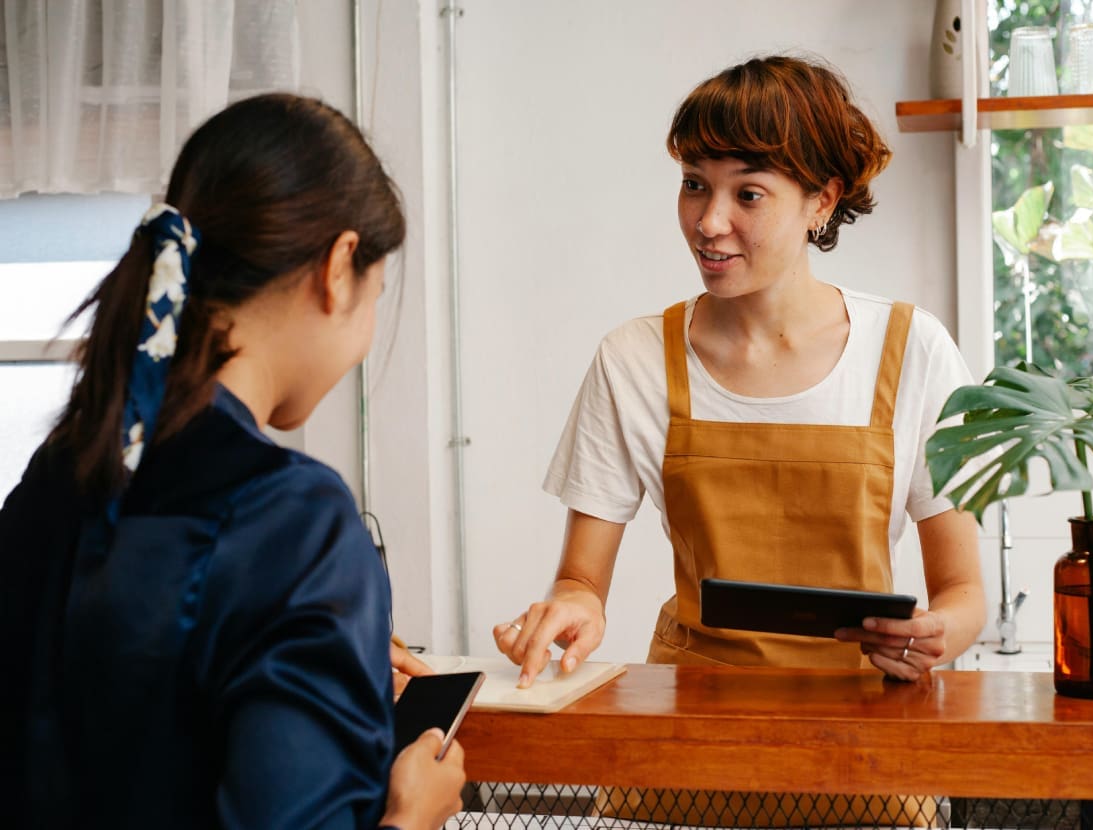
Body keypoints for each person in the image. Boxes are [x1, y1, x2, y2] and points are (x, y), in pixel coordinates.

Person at [494, 55, 986, 827]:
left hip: (864, 746)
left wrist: (930, 638)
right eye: (695, 183)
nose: (708, 221)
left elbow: (963, 597)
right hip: (686, 742)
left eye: (746, 193)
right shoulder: (633, 358)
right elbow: (580, 581)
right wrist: (570, 610)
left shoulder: (912, 349)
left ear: (821, 201)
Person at [0, 93, 465, 830]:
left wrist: (316, 646)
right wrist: (413, 818)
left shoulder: (53, 478)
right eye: (377, 292)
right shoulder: (297, 522)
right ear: (340, 267)